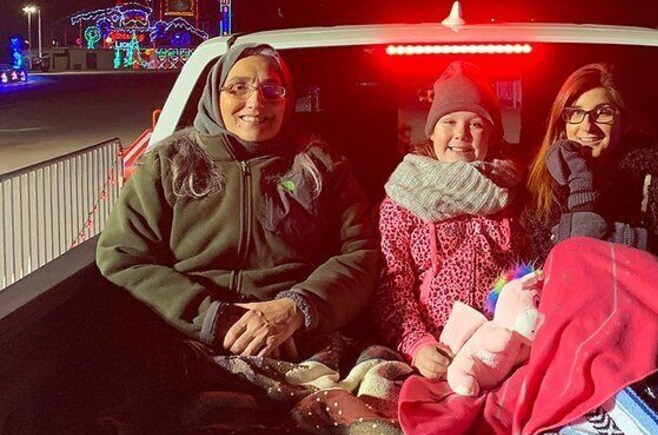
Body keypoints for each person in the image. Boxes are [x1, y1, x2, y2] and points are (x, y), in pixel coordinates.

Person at [96, 43, 379, 361]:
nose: (256, 103)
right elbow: (123, 256)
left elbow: (360, 254)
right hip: (188, 340)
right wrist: (214, 317)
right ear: (216, 95)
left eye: (272, 89)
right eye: (238, 88)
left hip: (297, 339)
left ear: (289, 100)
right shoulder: (168, 163)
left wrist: (297, 307)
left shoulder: (322, 165)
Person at [372, 61, 527, 380]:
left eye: (476, 124)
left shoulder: (512, 194)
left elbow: (523, 273)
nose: (461, 135)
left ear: (492, 133)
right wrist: (417, 344)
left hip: (502, 356)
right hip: (431, 358)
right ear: (431, 130)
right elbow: (392, 282)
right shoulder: (404, 197)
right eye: (450, 121)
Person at [524, 62, 658, 293]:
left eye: (602, 113)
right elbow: (548, 265)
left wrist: (623, 239)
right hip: (580, 316)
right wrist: (579, 183)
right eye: (575, 113)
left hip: (654, 310)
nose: (587, 126)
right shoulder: (546, 184)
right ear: (563, 124)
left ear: (626, 123)